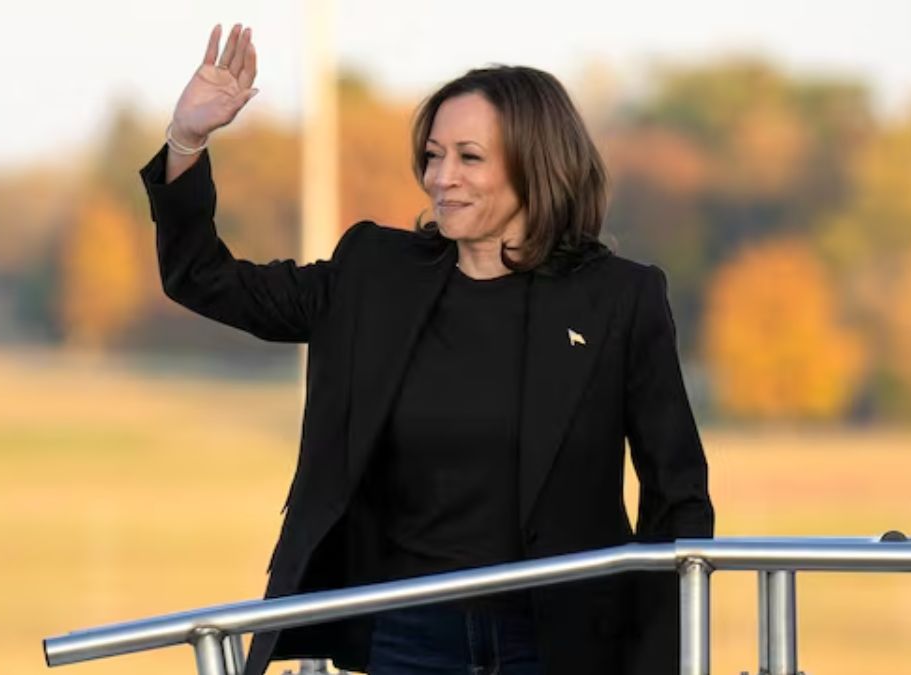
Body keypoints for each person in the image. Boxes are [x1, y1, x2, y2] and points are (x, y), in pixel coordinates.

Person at [138, 22, 715, 675]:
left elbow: (678, 496)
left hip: (561, 644)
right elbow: (203, 278)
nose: (441, 178)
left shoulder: (620, 298)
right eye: (433, 155)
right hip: (411, 636)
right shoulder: (372, 273)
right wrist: (187, 139)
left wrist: (663, 659)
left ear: (537, 163)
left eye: (469, 157)